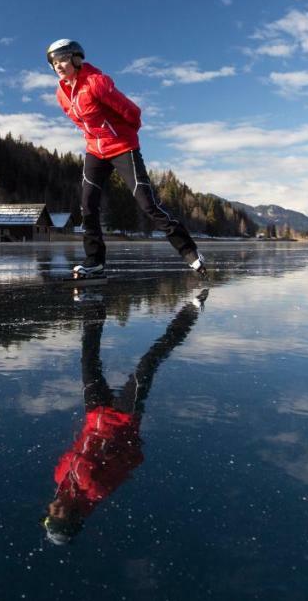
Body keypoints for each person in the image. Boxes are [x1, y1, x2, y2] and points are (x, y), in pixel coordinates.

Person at [43, 292, 204, 545]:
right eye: (58, 515)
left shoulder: (60, 481)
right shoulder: (95, 490)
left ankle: (94, 308)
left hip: (95, 414)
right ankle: (191, 313)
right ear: (72, 516)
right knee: (148, 363)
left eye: (49, 515)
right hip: (122, 419)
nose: (52, 509)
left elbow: (75, 453)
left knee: (88, 359)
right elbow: (106, 460)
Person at [46, 38, 206, 278]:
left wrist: (125, 135)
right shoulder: (61, 94)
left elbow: (132, 112)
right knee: (87, 205)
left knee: (147, 203)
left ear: (76, 59)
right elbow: (81, 122)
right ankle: (95, 261)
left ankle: (189, 251)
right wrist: (95, 139)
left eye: (63, 59)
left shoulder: (96, 82)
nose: (58, 66)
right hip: (95, 151)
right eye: (54, 62)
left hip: (122, 146)